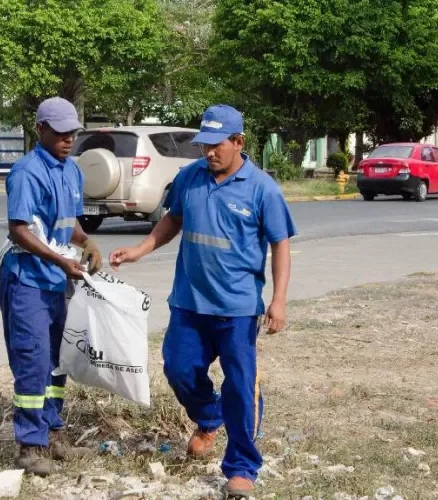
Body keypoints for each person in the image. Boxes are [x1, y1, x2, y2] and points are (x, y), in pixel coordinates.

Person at [109, 104, 296, 497]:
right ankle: (209, 417)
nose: (208, 152)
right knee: (178, 370)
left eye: (216, 145)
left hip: (238, 309)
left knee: (241, 387)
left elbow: (280, 244)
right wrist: (140, 249)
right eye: (203, 145)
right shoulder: (190, 178)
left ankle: (242, 467)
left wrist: (278, 301)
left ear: (238, 142)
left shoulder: (263, 188)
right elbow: (172, 219)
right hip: (189, 303)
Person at [0, 96, 102, 476]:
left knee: (58, 359)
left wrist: (86, 241)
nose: (67, 139)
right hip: (28, 279)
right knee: (32, 359)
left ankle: (53, 431)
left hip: (59, 280)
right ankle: (30, 443)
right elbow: (19, 229)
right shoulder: (26, 172)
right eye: (59, 133)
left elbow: (69, 222)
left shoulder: (70, 171)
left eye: (72, 132)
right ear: (40, 130)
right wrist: (61, 260)